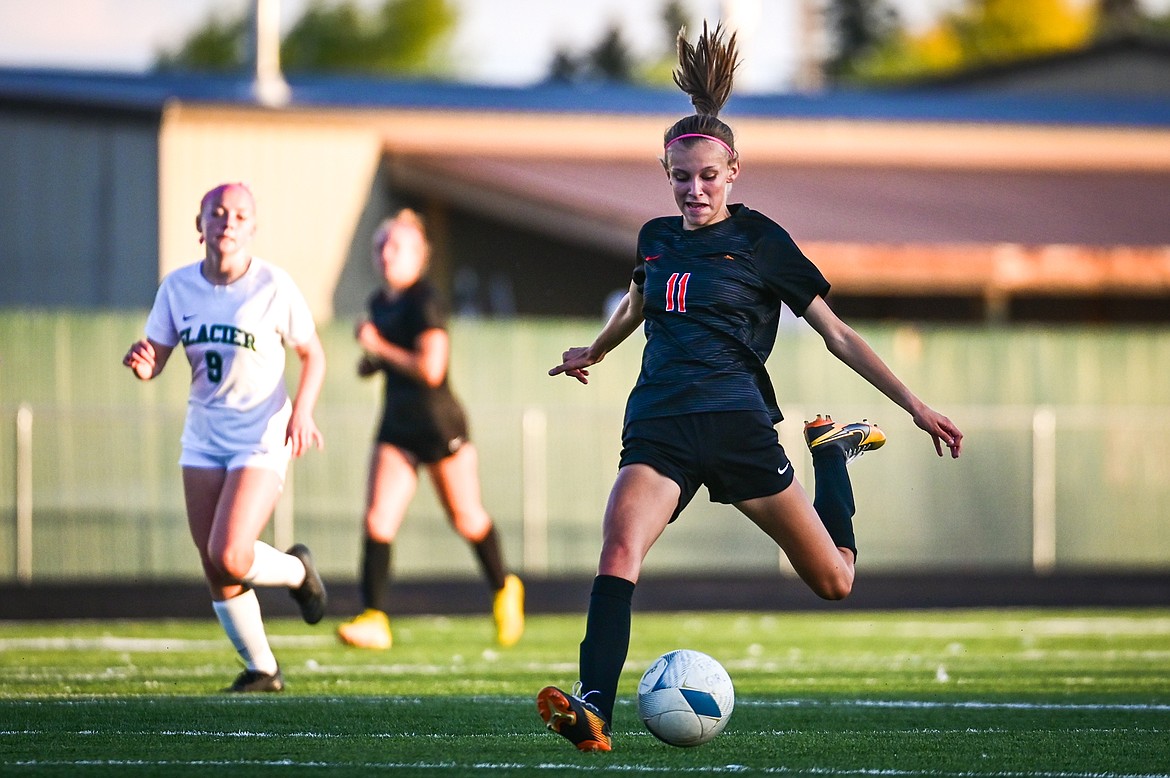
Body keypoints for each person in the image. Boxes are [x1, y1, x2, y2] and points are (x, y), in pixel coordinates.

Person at [536, 23, 964, 752]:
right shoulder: (655, 238)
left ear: (734, 171)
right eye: (680, 177)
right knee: (618, 552)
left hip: (737, 427)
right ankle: (594, 705)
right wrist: (597, 351)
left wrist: (916, 406)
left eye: (707, 175)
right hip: (660, 424)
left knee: (835, 582)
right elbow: (639, 306)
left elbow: (838, 334)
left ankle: (830, 456)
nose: (694, 188)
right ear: (665, 174)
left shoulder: (763, 240)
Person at [123, 182, 328, 693]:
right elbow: (157, 358)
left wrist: (302, 411)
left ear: (252, 229)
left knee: (232, 553)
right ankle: (263, 669)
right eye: (217, 213)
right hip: (204, 435)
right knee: (215, 565)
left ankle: (298, 575)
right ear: (200, 226)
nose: (228, 222)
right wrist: (144, 364)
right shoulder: (176, 287)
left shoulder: (273, 286)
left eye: (239, 215)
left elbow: (314, 354)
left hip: (261, 432)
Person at [335, 208, 525, 650]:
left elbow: (431, 367)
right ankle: (373, 617)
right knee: (377, 519)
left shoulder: (425, 300)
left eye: (398, 247)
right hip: (397, 426)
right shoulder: (381, 303)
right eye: (382, 246)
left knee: (466, 517)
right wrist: (371, 360)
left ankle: (504, 588)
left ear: (420, 256)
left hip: (439, 426)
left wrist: (377, 346)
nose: (387, 254)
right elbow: (388, 358)